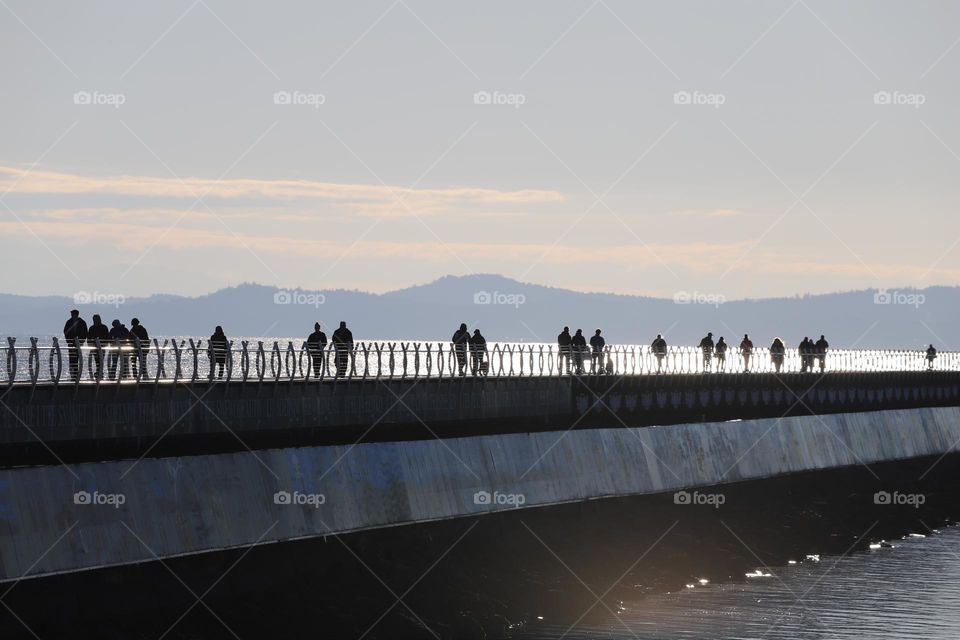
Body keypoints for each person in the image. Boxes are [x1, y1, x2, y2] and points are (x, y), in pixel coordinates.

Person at [63, 309, 88, 380]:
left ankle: (76, 375)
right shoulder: (70, 322)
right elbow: (65, 332)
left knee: (77, 359)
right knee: (72, 360)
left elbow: (85, 332)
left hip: (78, 344)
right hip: (71, 344)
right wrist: (69, 341)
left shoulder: (81, 322)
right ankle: (73, 375)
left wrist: (81, 341)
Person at [86, 314, 110, 379]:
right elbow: (88, 338)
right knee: (97, 361)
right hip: (95, 348)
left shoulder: (103, 327)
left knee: (100, 361)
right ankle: (99, 373)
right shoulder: (92, 328)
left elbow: (107, 337)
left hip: (102, 347)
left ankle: (99, 373)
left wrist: (104, 344)